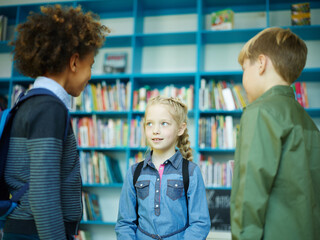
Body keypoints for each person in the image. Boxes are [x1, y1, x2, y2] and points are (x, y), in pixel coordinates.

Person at [3, 4, 109, 240]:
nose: (91, 75)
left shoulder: (31, 101)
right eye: (90, 65)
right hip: (37, 233)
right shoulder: (50, 108)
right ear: (74, 62)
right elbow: (43, 195)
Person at [230, 27, 320, 240]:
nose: (243, 77)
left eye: (244, 68)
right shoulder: (308, 123)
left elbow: (249, 194)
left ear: (261, 63)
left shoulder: (260, 112)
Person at [115, 96, 211, 239]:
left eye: (164, 123)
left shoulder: (191, 172)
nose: (155, 130)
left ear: (180, 128)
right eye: (150, 124)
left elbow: (200, 223)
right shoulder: (134, 172)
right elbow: (124, 223)